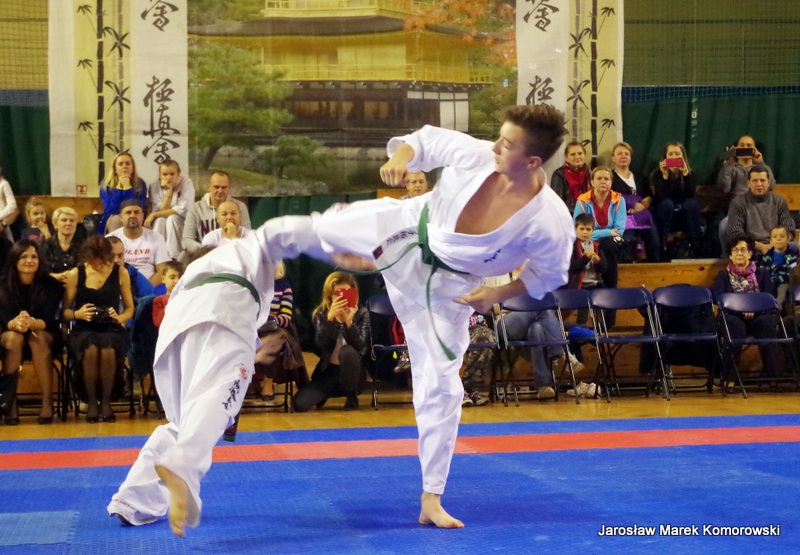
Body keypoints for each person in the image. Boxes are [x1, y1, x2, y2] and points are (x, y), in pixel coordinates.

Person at [281, 104, 574, 527]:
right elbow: (425, 140)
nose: (495, 146)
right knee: (321, 228)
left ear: (532, 161)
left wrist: (496, 293)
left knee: (441, 388)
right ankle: (241, 259)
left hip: (449, 290)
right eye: (499, 136)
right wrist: (401, 157)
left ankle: (431, 499)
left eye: (507, 144)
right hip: (407, 229)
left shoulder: (549, 221)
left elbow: (548, 275)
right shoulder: (478, 155)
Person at [107, 215, 325, 535]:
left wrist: (249, 350)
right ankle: (182, 465)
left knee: (185, 422)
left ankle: (132, 500)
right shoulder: (251, 247)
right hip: (223, 314)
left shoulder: (198, 273)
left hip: (178, 325)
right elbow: (282, 235)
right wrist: (333, 241)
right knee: (219, 401)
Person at [63, 235, 135, 423]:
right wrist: (78, 314)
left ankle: (106, 401)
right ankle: (91, 401)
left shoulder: (120, 273)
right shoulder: (76, 274)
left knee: (109, 348)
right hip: (84, 327)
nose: (99, 265)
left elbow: (130, 308)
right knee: (91, 348)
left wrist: (119, 318)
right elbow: (65, 312)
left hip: (111, 327)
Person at [0, 241, 63, 425]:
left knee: (38, 338)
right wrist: (16, 323)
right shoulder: (2, 284)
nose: (29, 260)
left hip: (44, 334)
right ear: (14, 260)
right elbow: (4, 318)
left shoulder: (51, 284)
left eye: (34, 256)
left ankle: (47, 402)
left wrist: (31, 323)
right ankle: (10, 403)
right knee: (14, 339)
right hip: (12, 333)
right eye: (24, 257)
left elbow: (48, 318)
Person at [292, 271, 370, 412]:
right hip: (329, 371)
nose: (342, 297)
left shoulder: (361, 312)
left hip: (353, 372)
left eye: (346, 293)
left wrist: (349, 322)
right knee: (299, 404)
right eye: (337, 294)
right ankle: (324, 394)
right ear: (330, 295)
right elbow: (321, 344)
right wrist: (330, 320)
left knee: (347, 351)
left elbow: (361, 347)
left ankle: (351, 396)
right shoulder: (322, 314)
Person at [712, 233, 783, 383]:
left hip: (759, 314)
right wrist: (741, 309)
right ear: (730, 255)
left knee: (767, 324)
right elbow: (719, 297)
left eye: (743, 250)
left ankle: (774, 378)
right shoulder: (723, 276)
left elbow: (769, 297)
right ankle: (729, 378)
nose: (739, 253)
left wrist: (754, 309)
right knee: (733, 325)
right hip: (733, 316)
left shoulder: (762, 274)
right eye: (735, 250)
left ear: (750, 253)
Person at [716, 135, 776, 251]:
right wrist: (727, 165)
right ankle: (728, 256)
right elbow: (724, 188)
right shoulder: (732, 168)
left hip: (759, 210)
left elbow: (771, 185)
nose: (745, 148)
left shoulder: (759, 169)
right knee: (724, 226)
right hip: (737, 211)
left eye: (749, 146)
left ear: (754, 149)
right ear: (736, 149)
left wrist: (761, 163)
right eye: (742, 146)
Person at [256, 261, 305, 402]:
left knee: (274, 337)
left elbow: (285, 318)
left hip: (272, 327)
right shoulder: (251, 284)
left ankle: (268, 382)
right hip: (251, 327)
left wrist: (269, 319)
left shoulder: (284, 287)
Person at [573, 166, 625, 295]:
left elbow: (619, 230)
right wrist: (607, 232)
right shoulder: (582, 201)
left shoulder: (619, 200)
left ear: (611, 182)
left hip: (610, 242)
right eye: (599, 178)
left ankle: (611, 291)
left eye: (606, 179)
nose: (603, 181)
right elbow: (579, 230)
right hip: (587, 239)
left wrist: (602, 234)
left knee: (608, 245)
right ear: (592, 182)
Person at [726, 164, 795, 257]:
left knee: (795, 247)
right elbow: (735, 234)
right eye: (755, 181)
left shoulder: (779, 201)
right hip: (752, 247)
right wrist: (760, 246)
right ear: (748, 183)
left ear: (768, 182)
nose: (759, 184)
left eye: (762, 180)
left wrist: (776, 244)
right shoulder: (738, 203)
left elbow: (789, 229)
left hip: (778, 245)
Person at [610, 141, 660, 262]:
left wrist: (641, 206)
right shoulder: (609, 177)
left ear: (631, 158)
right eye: (619, 154)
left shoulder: (639, 177)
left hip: (641, 215)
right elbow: (609, 197)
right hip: (621, 218)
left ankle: (656, 264)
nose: (623, 156)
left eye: (626, 154)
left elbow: (649, 196)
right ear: (613, 158)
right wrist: (630, 205)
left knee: (653, 232)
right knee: (628, 237)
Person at [650, 142, 701, 260]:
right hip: (665, 213)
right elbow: (662, 196)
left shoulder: (690, 174)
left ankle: (695, 245)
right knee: (667, 204)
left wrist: (685, 175)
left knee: (691, 204)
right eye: (670, 154)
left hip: (684, 214)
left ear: (683, 156)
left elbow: (690, 194)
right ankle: (662, 245)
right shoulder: (657, 175)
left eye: (677, 154)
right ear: (665, 157)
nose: (674, 157)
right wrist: (665, 176)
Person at [181, 171, 251, 258]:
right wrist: (207, 251)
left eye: (224, 187)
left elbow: (248, 236)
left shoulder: (239, 206)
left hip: (233, 252)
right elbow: (187, 240)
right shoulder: (195, 209)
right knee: (182, 256)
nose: (220, 191)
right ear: (209, 187)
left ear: (229, 188)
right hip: (203, 253)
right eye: (216, 187)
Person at [106, 199, 171, 287]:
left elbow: (162, 271)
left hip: (151, 286)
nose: (132, 215)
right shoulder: (109, 240)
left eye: (136, 212)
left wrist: (145, 288)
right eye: (128, 212)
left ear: (143, 216)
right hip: (119, 285)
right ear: (121, 217)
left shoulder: (157, 238)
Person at [145, 160, 196, 260]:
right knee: (160, 220)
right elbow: (161, 210)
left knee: (172, 218)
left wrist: (153, 214)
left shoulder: (186, 183)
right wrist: (169, 191)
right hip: (163, 221)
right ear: (159, 175)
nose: (168, 177)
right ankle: (157, 254)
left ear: (178, 174)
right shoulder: (154, 186)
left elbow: (181, 210)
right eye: (165, 174)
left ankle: (174, 257)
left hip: (184, 222)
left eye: (172, 174)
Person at [567, 213, 611, 325]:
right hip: (580, 285)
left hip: (596, 284)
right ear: (575, 229)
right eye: (582, 229)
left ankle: (598, 329)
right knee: (583, 307)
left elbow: (604, 269)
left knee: (605, 305)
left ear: (593, 231)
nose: (585, 232)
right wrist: (585, 258)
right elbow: (572, 268)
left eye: (588, 229)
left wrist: (599, 262)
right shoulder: (571, 246)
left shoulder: (597, 246)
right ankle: (581, 329)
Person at [100, 152, 148, 234]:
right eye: (120, 164)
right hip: (112, 219)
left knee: (131, 218)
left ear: (133, 168)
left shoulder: (140, 183)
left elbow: (137, 207)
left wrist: (127, 187)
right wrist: (119, 188)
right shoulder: (106, 185)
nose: (124, 166)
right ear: (115, 169)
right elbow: (112, 210)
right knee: (117, 219)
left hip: (135, 217)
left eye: (128, 163)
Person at [756, 224, 798, 311]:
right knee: (763, 288)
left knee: (782, 290)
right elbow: (762, 270)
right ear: (771, 240)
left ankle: (777, 308)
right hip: (769, 280)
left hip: (783, 281)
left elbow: (790, 273)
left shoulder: (792, 255)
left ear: (788, 239)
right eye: (775, 237)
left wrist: (777, 280)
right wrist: (768, 280)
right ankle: (765, 308)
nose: (778, 239)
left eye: (782, 236)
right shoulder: (767, 256)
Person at [41, 206, 84, 285]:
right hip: (50, 286)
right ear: (55, 224)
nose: (68, 223)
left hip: (77, 286)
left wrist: (71, 278)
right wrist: (58, 276)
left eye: (72, 220)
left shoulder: (84, 246)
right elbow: (42, 273)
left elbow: (85, 272)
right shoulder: (45, 245)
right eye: (64, 220)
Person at [108, 235, 155, 300]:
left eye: (120, 255)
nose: (116, 260)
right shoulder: (94, 275)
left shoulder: (133, 275)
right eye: (111, 256)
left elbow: (151, 298)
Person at [550, 140, 590, 212]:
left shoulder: (589, 173)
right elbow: (557, 202)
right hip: (568, 214)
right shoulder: (559, 174)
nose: (577, 157)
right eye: (573, 154)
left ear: (584, 155)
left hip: (588, 214)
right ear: (566, 157)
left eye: (580, 153)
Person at [152, 261, 183, 328]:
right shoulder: (159, 300)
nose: (176, 281)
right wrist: (170, 305)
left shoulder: (186, 298)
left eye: (180, 278)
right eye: (172, 277)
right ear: (163, 279)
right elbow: (157, 322)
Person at [0, 159, 19, 243]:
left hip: (3, 221)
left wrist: (1, 216)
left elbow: (12, 205)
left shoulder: (4, 184)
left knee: (8, 243)